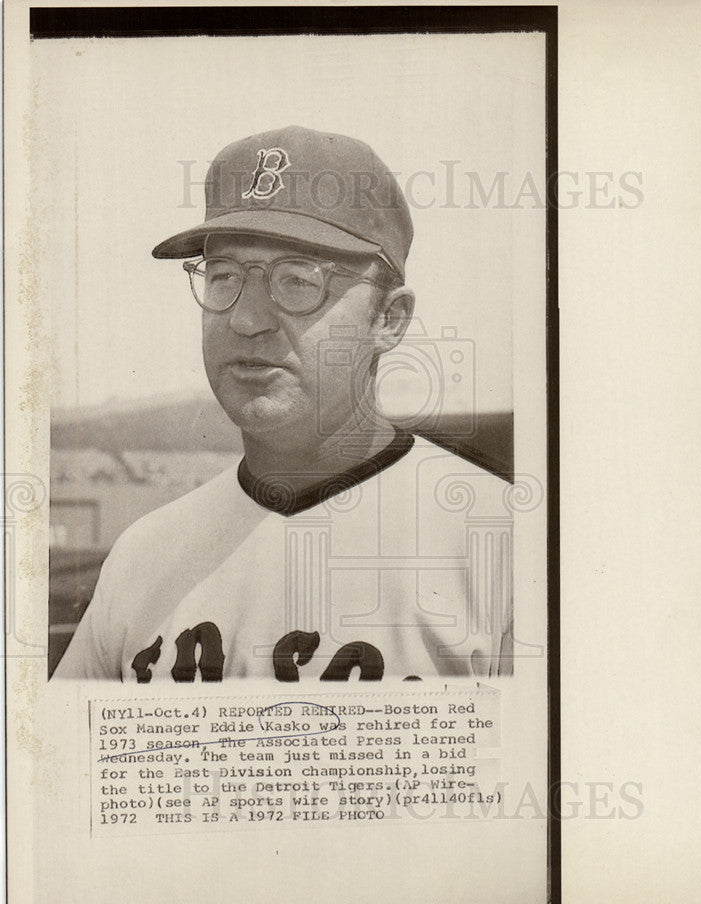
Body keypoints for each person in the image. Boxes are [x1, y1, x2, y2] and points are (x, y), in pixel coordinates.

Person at [56, 125, 514, 682]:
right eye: (223, 276)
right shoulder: (142, 555)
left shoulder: (504, 542)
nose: (246, 320)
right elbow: (65, 764)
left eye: (298, 281)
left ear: (388, 320)